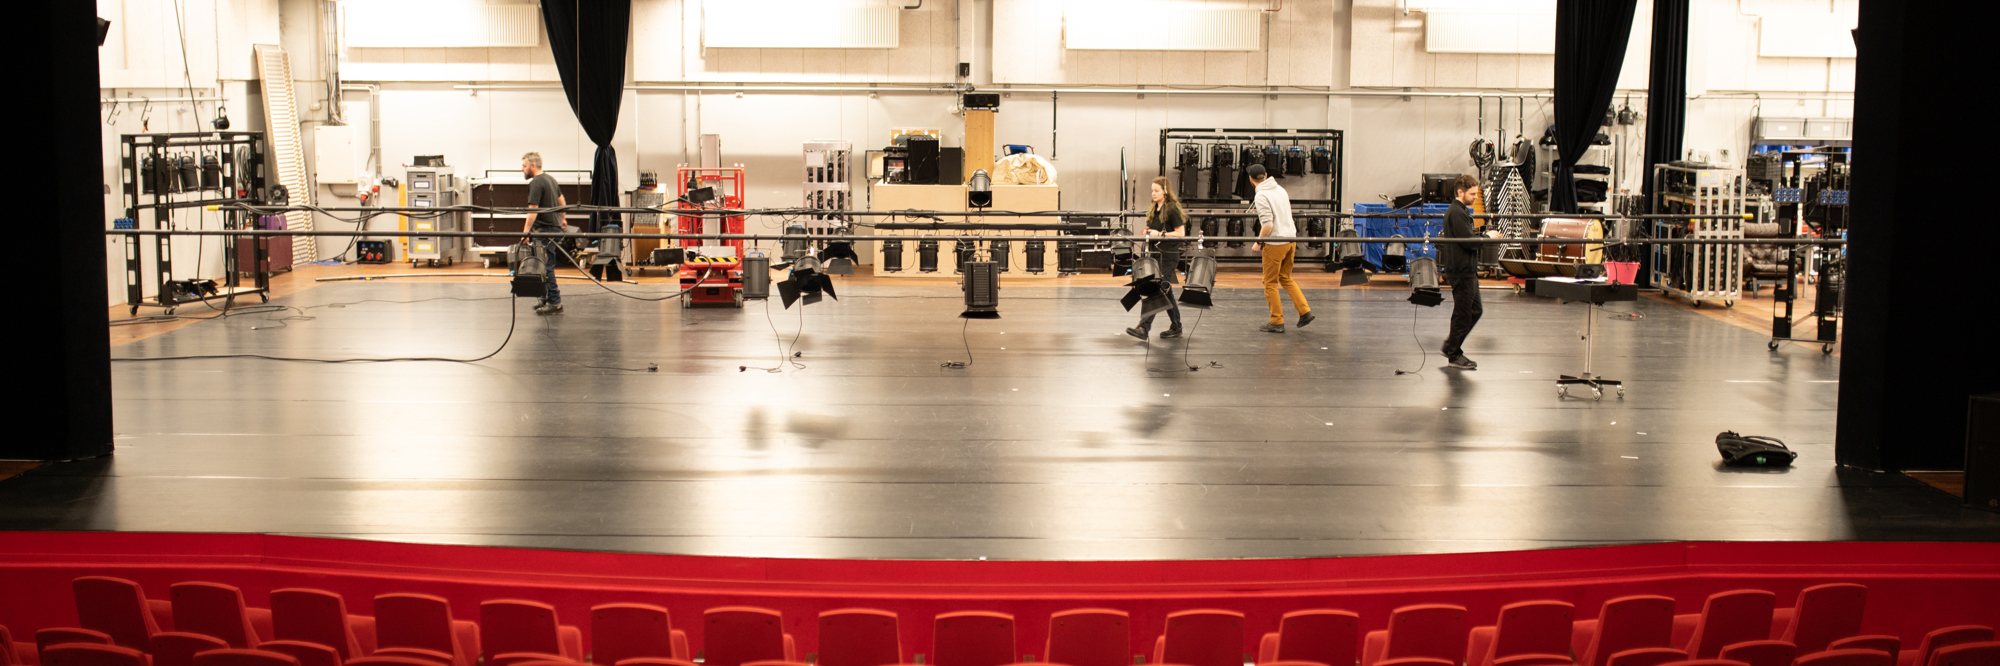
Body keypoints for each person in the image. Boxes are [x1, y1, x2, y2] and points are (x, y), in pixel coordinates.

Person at [1248, 164, 1313, 333]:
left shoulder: (1261, 195)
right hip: (1291, 239)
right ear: (1266, 175)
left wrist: (1258, 242)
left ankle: (1276, 321)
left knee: (1270, 283)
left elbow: (1268, 224)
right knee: (1285, 277)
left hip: (1275, 243)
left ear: (1250, 179)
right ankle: (1305, 311)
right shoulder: (1280, 189)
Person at [1127, 177, 1186, 340]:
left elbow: (1181, 233)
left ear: (1165, 191)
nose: (1153, 193)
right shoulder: (1155, 209)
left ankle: (1144, 327)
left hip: (1168, 256)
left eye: (1156, 190)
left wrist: (1159, 234)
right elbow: (1157, 229)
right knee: (1165, 290)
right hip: (1156, 254)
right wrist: (1149, 231)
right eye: (1152, 190)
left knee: (1158, 288)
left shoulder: (1172, 209)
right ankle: (1176, 325)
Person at [1439, 174, 1484, 369]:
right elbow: (1469, 242)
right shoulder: (1457, 213)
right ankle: (1453, 354)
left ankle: (1451, 346)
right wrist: (1487, 237)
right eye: (1472, 194)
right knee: (1463, 313)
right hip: (1461, 270)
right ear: (1460, 192)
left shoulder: (1461, 211)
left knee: (1475, 310)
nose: (1475, 197)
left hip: (1467, 269)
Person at [521, 152, 567, 315]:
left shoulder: (536, 182)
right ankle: (546, 299)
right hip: (552, 228)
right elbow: (562, 201)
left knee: (546, 267)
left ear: (533, 166)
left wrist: (526, 232)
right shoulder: (550, 179)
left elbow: (533, 209)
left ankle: (554, 302)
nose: (522, 169)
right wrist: (562, 220)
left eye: (524, 166)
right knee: (544, 266)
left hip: (545, 230)